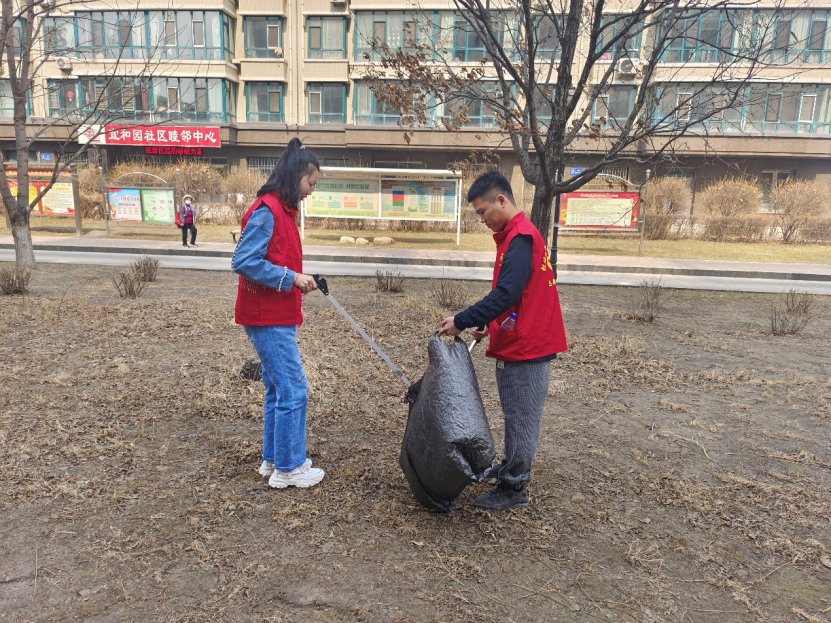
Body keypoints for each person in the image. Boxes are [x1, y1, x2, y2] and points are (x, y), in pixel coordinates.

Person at [438, 171, 567, 511]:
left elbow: (507, 294)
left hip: (529, 348)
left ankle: (514, 489)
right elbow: (520, 299)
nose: (481, 220)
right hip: (522, 341)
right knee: (516, 415)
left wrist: (463, 321)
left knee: (522, 418)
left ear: (501, 200)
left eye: (482, 212)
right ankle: (510, 472)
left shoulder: (521, 238)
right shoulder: (516, 237)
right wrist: (492, 328)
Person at [231, 138, 324, 489]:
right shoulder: (267, 210)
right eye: (309, 184)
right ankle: (289, 466)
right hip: (266, 316)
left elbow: (275, 258)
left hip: (278, 313)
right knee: (293, 389)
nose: (310, 192)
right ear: (294, 176)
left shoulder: (283, 211)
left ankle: (274, 459)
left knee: (276, 388)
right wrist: (292, 278)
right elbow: (243, 261)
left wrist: (298, 278)